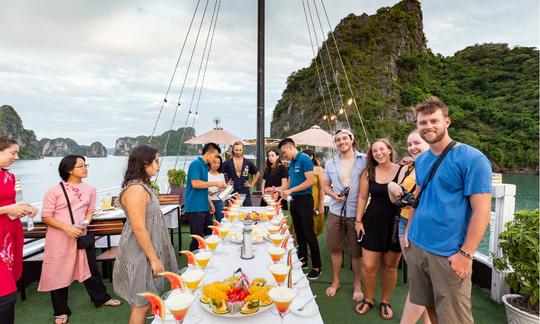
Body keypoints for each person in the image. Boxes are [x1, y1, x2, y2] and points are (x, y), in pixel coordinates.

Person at [403, 97, 492, 324]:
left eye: (434, 120)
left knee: (455, 318)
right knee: (430, 307)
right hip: (418, 244)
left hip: (448, 252)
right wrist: (408, 234)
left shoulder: (473, 159)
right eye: (422, 123)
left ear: (447, 122)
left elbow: (481, 212)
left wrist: (465, 254)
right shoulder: (421, 160)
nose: (428, 126)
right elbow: (418, 199)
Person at [39, 155, 121, 324]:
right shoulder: (54, 190)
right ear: (69, 169)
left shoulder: (90, 189)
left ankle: (101, 298)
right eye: (80, 166)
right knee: (58, 272)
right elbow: (46, 216)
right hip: (59, 237)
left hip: (81, 235)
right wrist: (67, 228)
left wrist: (85, 223)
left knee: (90, 269)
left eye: (85, 165)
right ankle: (60, 311)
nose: (85, 168)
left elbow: (90, 211)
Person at [112, 145, 178, 324]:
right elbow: (139, 228)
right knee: (140, 304)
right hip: (140, 254)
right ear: (144, 163)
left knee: (146, 301)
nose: (158, 165)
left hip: (148, 250)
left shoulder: (142, 186)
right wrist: (154, 259)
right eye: (156, 161)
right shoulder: (135, 190)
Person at [354, 139, 403, 320]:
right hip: (373, 221)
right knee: (369, 266)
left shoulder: (403, 170)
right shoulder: (369, 173)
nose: (378, 153)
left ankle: (385, 301)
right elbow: (361, 198)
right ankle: (368, 299)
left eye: (382, 149)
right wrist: (358, 221)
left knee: (391, 267)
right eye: (374, 150)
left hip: (395, 223)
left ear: (390, 150)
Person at [388, 131, 431, 324]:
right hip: (404, 220)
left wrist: (407, 231)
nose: (413, 147)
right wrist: (391, 186)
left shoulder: (434, 166)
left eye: (417, 143)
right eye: (410, 144)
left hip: (421, 226)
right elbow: (395, 200)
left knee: (420, 283)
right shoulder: (410, 166)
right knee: (419, 279)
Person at [322, 129, 366, 302]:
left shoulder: (365, 159)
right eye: (338, 140)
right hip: (335, 211)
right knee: (335, 248)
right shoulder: (330, 163)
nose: (341, 142)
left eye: (344, 138)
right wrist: (333, 195)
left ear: (352, 139)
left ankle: (357, 285)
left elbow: (385, 165)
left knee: (356, 252)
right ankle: (336, 281)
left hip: (357, 213)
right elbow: (326, 185)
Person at [0, 136, 37, 324]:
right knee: (6, 296)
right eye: (12, 153)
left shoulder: (9, 176)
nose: (15, 157)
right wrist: (7, 209)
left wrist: (24, 207)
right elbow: (5, 207)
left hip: (10, 234)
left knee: (8, 293)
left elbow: (9, 204)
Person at [278, 138, 322, 280]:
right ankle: (303, 260)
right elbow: (291, 182)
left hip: (305, 200)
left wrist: (291, 191)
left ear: (290, 147)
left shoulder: (304, 159)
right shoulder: (292, 162)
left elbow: (310, 181)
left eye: (284, 152)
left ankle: (317, 267)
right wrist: (278, 188)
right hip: (295, 201)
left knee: (309, 233)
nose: (284, 155)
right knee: (299, 232)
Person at [185, 142, 226, 251]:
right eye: (215, 155)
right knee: (197, 239)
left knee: (208, 235)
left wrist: (210, 202)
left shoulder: (205, 166)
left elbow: (203, 188)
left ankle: (206, 260)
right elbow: (195, 184)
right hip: (195, 208)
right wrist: (215, 183)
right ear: (208, 153)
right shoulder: (196, 164)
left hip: (204, 207)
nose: (216, 158)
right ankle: (193, 264)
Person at [222, 141, 260, 206]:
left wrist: (251, 184)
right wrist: (225, 184)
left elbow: (257, 173)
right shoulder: (227, 162)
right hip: (231, 190)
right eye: (236, 150)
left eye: (240, 150)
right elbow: (219, 174)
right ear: (233, 150)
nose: (238, 152)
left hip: (244, 190)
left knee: (248, 211)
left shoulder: (247, 162)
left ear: (243, 150)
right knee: (231, 211)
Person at [208, 155, 226, 222]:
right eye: (214, 162)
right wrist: (207, 191)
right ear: (210, 162)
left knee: (221, 222)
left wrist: (225, 187)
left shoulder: (221, 175)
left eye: (218, 163)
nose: (216, 165)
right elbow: (202, 187)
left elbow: (223, 189)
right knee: (208, 224)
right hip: (207, 201)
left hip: (218, 201)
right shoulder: (205, 174)